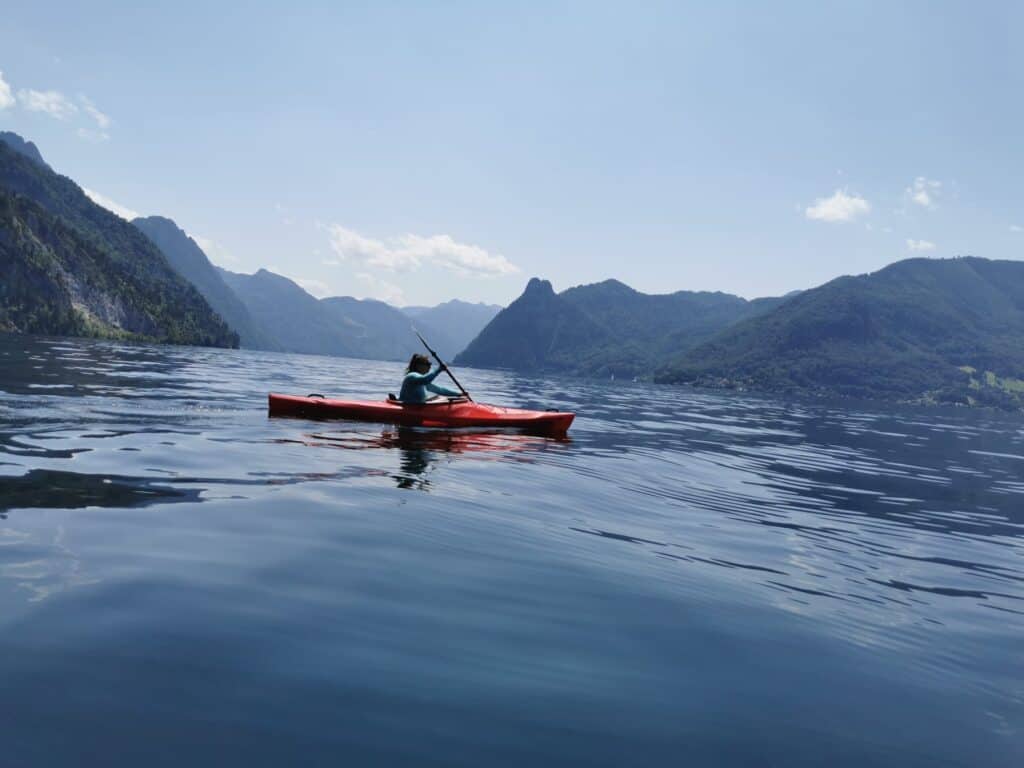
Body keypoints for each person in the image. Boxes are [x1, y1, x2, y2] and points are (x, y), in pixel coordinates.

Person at [398, 353, 464, 403]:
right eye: (428, 364)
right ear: (418, 365)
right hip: (410, 407)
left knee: (439, 397)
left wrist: (459, 394)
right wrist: (438, 369)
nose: (429, 366)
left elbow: (439, 390)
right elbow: (426, 380)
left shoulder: (420, 380)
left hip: (417, 405)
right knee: (440, 398)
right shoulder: (412, 376)